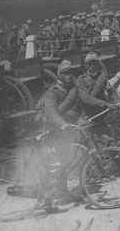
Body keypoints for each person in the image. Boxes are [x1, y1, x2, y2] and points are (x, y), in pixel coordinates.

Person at [38, 60, 84, 211]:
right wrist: (62, 124)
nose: (69, 75)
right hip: (52, 131)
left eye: (71, 72)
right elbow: (51, 112)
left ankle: (63, 191)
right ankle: (49, 202)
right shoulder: (53, 91)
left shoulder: (70, 88)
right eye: (65, 73)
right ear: (59, 75)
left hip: (63, 133)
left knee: (64, 162)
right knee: (55, 165)